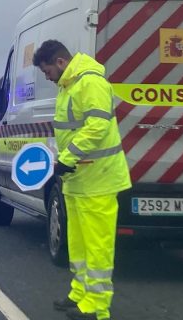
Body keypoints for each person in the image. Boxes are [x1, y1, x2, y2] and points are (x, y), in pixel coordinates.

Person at [33, 39, 131, 320]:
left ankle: (97, 306)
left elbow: (97, 126)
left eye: (47, 71)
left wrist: (68, 157)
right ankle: (80, 293)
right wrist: (63, 159)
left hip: (98, 178)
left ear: (60, 62)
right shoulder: (69, 86)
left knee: (97, 244)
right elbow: (70, 130)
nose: (47, 77)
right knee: (78, 243)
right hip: (79, 178)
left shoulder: (90, 82)